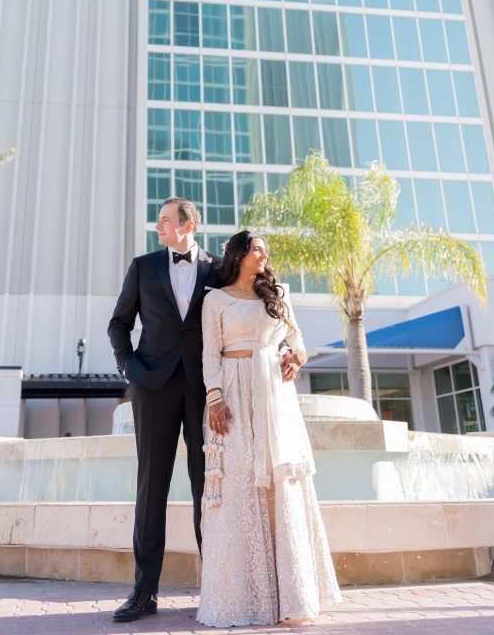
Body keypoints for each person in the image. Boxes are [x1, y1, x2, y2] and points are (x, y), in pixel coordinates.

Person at [197, 230, 342, 628]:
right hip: (234, 391)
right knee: (240, 484)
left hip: (276, 397)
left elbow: (298, 341)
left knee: (282, 485)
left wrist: (295, 355)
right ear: (239, 253)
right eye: (257, 248)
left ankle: (291, 596)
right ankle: (243, 597)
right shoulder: (215, 299)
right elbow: (209, 352)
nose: (264, 255)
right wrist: (214, 396)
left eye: (266, 250)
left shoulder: (276, 294)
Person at [107, 197, 222, 623]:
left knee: (207, 487)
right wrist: (130, 367)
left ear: (188, 224)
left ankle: (217, 584)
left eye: (165, 220)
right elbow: (119, 323)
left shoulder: (218, 269)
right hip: (152, 386)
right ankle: (144, 592)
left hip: (203, 390)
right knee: (151, 487)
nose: (158, 227)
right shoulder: (143, 267)